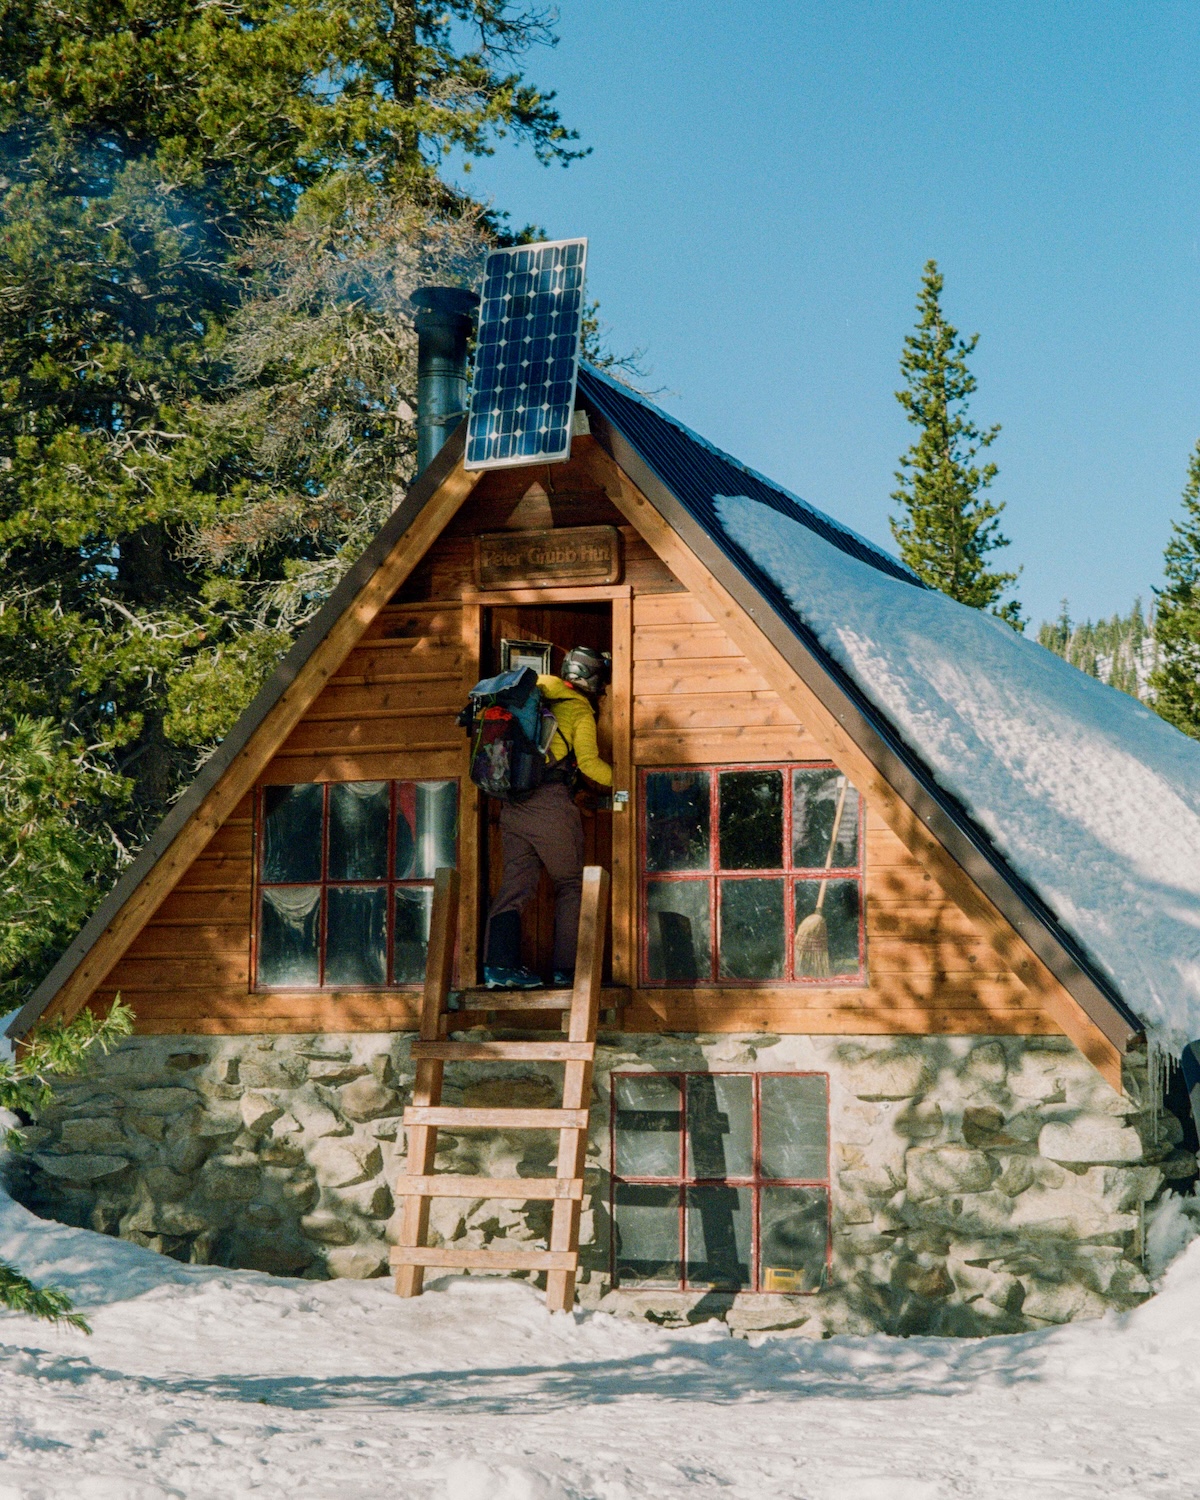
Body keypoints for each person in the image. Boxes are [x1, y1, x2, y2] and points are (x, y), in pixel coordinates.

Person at [483, 645, 612, 990]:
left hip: (511, 803)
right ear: (595, 680)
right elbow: (589, 765)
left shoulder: (531, 691)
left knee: (515, 886)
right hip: (550, 804)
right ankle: (568, 972)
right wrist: (628, 780)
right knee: (570, 884)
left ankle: (499, 968)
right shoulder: (577, 708)